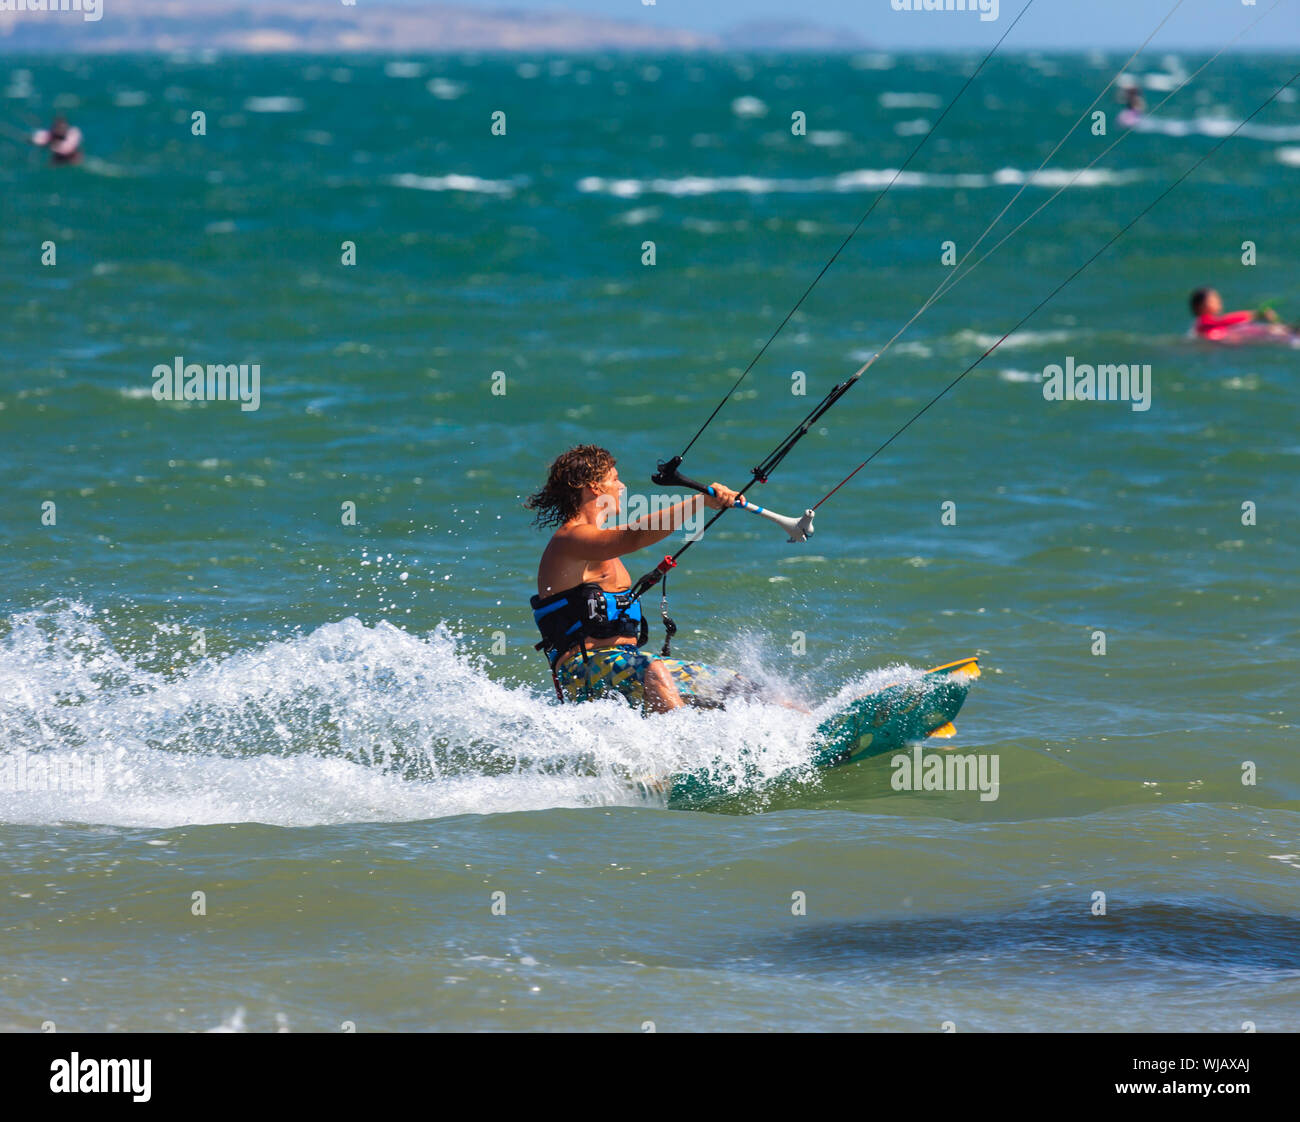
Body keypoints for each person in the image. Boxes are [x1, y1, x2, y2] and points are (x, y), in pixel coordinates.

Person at [526, 445, 792, 713]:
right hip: (583, 672)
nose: (622, 485)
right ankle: (686, 751)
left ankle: (811, 735)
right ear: (595, 486)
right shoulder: (570, 540)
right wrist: (699, 502)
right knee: (655, 671)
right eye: (615, 478)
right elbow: (634, 536)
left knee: (741, 688)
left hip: (631, 663)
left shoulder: (596, 545)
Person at [1189, 287, 1289, 341]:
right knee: (1265, 330)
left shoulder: (1203, 325)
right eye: (1213, 299)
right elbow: (1224, 321)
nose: (1219, 301)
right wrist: (1254, 315)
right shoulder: (1202, 322)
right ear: (1201, 306)